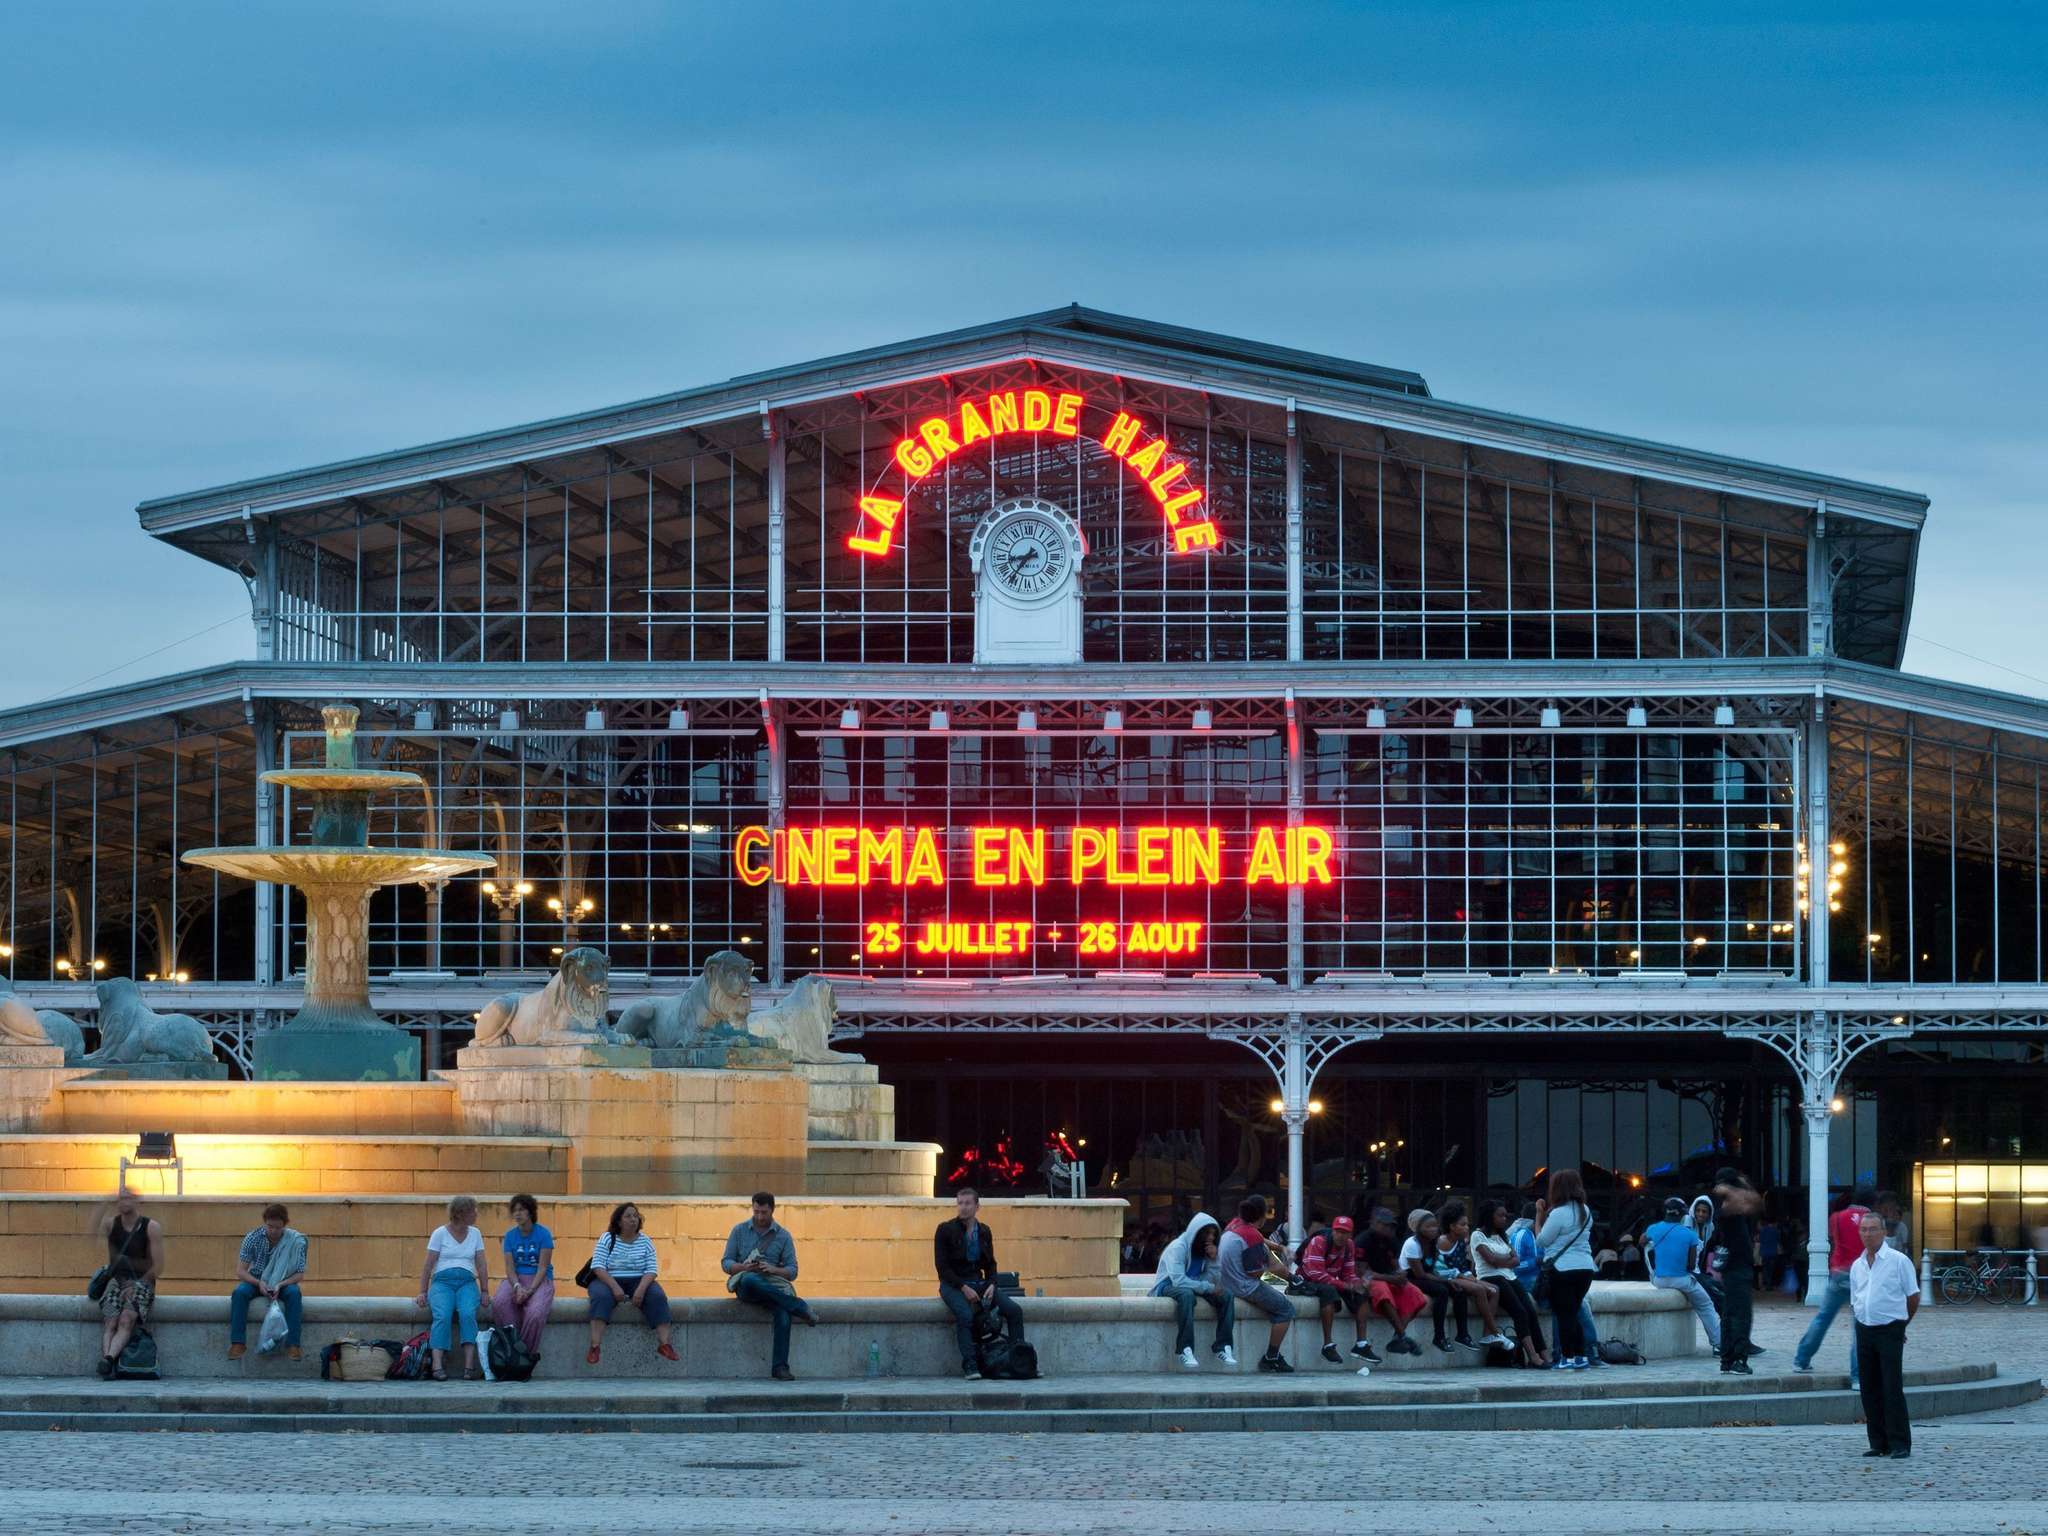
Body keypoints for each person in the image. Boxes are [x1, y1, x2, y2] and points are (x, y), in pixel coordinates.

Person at [723, 1190, 816, 1381]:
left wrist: (773, 1269)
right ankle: (798, 1306)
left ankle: (780, 1367)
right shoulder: (739, 1231)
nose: (759, 1216)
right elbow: (726, 1263)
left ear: (772, 1211)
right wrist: (744, 1267)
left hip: (772, 1285)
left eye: (764, 1213)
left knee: (783, 1313)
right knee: (749, 1279)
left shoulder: (783, 1236)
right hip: (747, 1285)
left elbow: (792, 1271)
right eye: (756, 1211)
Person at [935, 1187, 1026, 1380]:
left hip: (980, 1283)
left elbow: (991, 1264)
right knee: (965, 1316)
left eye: (968, 1203)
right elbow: (942, 1268)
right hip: (953, 1285)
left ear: (977, 1206)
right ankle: (970, 1365)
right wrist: (963, 1287)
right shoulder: (945, 1230)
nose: (963, 1208)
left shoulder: (984, 1231)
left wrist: (992, 1284)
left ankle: (1019, 1360)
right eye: (960, 1203)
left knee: (1014, 1310)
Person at [1850, 1209, 1919, 1459]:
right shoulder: (1857, 1265)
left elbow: (1913, 1296)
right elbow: (1856, 1298)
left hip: (1890, 1327)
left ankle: (1900, 1442)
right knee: (1869, 1388)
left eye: (1872, 1230)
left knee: (1891, 1386)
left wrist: (1902, 1325)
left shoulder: (1899, 1261)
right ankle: (1878, 1442)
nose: (1867, 1234)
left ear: (1883, 1232)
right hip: (1864, 1328)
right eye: (1863, 1230)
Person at [1793, 1188, 1871, 1383]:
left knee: (1823, 1318)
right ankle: (1858, 1377)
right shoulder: (1873, 1220)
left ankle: (1801, 1360)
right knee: (1859, 1325)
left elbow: (1835, 1240)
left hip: (1839, 1272)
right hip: (1861, 1275)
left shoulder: (1837, 1217)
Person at [585, 1201, 678, 1365]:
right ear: (619, 1221)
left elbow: (652, 1269)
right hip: (608, 1278)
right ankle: (595, 1346)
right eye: (628, 1216)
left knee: (657, 1297)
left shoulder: (645, 1241)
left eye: (635, 1216)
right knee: (601, 1297)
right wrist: (614, 1287)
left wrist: (641, 1290)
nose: (633, 1219)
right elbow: (597, 1266)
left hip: (638, 1279)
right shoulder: (607, 1238)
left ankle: (665, 1344)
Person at [414, 1195, 490, 1380]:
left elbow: (481, 1264)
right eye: (473, 1210)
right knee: (442, 1315)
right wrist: (422, 1291)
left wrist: (485, 1290)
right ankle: (437, 1365)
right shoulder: (440, 1233)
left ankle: (469, 1365)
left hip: (466, 1282)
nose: (476, 1214)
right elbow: (428, 1265)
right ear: (461, 1214)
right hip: (442, 1282)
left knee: (467, 1314)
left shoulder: (475, 1234)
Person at [1218, 1194, 1296, 1372]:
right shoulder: (1251, 1235)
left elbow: (1260, 1239)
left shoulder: (1236, 1224)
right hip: (1242, 1286)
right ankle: (1271, 1357)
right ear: (1261, 1217)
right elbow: (1254, 1273)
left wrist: (1278, 1247)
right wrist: (1277, 1267)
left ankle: (1292, 1278)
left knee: (1266, 1252)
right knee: (1286, 1310)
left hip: (1225, 1282)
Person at [1149, 1211, 1236, 1368]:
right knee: (1187, 1295)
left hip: (1192, 1284)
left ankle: (1223, 1346)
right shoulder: (1178, 1247)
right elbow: (1178, 1280)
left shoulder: (1205, 1250)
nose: (1210, 1238)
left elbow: (1212, 1280)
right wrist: (1208, 1288)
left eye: (1213, 1234)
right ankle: (1185, 1348)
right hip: (1167, 1285)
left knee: (1227, 1295)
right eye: (1207, 1233)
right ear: (1196, 1232)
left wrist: (1214, 1259)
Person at [93, 1188, 163, 1379]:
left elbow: (158, 1267)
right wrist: (104, 1203)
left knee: (126, 1319)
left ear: (136, 1201)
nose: (123, 1202)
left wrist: (135, 1285)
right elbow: (92, 1231)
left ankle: (108, 1360)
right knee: (110, 1321)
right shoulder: (111, 1225)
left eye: (128, 1198)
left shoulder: (150, 1227)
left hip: (142, 1281)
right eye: (120, 1199)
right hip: (117, 1281)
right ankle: (107, 1363)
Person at [1471, 1199, 1547, 1367]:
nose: (1504, 1219)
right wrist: (1506, 1259)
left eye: (1505, 1215)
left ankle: (1544, 1354)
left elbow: (1517, 1260)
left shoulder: (1502, 1236)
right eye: (1500, 1215)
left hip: (1510, 1277)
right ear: (1490, 1216)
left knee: (1531, 1312)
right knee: (1519, 1312)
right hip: (1491, 1278)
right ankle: (1533, 1357)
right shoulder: (1478, 1235)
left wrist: (1502, 1260)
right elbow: (1490, 1261)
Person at [1642, 1196, 1721, 1357]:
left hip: (1659, 1280)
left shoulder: (1653, 1228)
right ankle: (1718, 1344)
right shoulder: (1689, 1234)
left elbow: (1642, 1242)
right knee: (1706, 1305)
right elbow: (1691, 1266)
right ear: (1681, 1215)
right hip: (1682, 1280)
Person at [1534, 1169, 1598, 1370]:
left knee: (1564, 1314)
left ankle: (1566, 1358)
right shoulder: (1585, 1210)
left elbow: (1542, 1240)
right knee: (1574, 1311)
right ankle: (1581, 1357)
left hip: (1562, 1268)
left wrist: (1538, 1216)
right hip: (1585, 1268)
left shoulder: (1558, 1213)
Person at [229, 1202, 308, 1362]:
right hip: (257, 1280)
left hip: (283, 1282)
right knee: (239, 1293)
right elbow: (241, 1271)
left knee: (294, 1293)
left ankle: (293, 1345)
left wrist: (280, 1284)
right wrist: (259, 1283)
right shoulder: (253, 1238)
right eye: (269, 1226)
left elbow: (299, 1274)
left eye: (277, 1228)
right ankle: (238, 1343)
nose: (272, 1231)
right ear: (265, 1223)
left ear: (284, 1225)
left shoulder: (295, 1240)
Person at [1297, 1215, 1377, 1366]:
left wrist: (1358, 1284)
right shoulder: (1319, 1242)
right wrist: (1345, 1285)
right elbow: (1316, 1274)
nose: (1341, 1235)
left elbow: (1348, 1273)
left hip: (1333, 1280)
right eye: (1338, 1231)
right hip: (1308, 1280)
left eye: (1345, 1232)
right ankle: (1328, 1345)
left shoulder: (1350, 1246)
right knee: (1329, 1292)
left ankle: (1361, 1344)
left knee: (1362, 1294)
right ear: (1332, 1231)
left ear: (1350, 1235)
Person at [1431, 1203, 1511, 1349]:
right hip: (1446, 1278)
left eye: (1467, 1224)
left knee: (1494, 1289)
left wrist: (1470, 1277)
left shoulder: (1461, 1242)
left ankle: (1487, 1334)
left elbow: (1462, 1265)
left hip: (1460, 1275)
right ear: (1452, 1226)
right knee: (1480, 1290)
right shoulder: (1443, 1242)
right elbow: (1438, 1269)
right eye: (1463, 1224)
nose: (1467, 1227)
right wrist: (1464, 1276)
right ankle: (1496, 1332)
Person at [1710, 1167, 1763, 1375]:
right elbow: (1751, 1200)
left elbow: (1752, 1203)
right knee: (1740, 1315)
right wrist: (1741, 1182)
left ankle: (1727, 1359)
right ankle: (1738, 1360)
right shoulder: (1725, 1201)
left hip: (1736, 1267)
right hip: (1737, 1268)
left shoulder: (1725, 1202)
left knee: (1730, 1314)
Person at [491, 1193, 554, 1361]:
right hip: (516, 1279)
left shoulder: (544, 1234)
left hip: (539, 1280)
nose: (517, 1214)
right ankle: (511, 1347)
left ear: (530, 1212)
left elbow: (543, 1267)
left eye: (521, 1210)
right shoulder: (510, 1236)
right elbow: (510, 1269)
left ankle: (524, 1355)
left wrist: (530, 1290)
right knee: (499, 1303)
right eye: (515, 1210)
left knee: (535, 1313)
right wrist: (517, 1287)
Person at [1359, 1206, 1428, 1355]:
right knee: (1382, 1290)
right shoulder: (1364, 1240)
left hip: (1387, 1277)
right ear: (1374, 1223)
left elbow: (1396, 1266)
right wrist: (1391, 1278)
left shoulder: (1391, 1240)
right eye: (1384, 1224)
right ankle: (1403, 1335)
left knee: (1416, 1294)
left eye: (1391, 1225)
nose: (1388, 1229)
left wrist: (1400, 1274)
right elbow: (1363, 1273)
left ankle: (1398, 1337)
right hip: (1370, 1281)